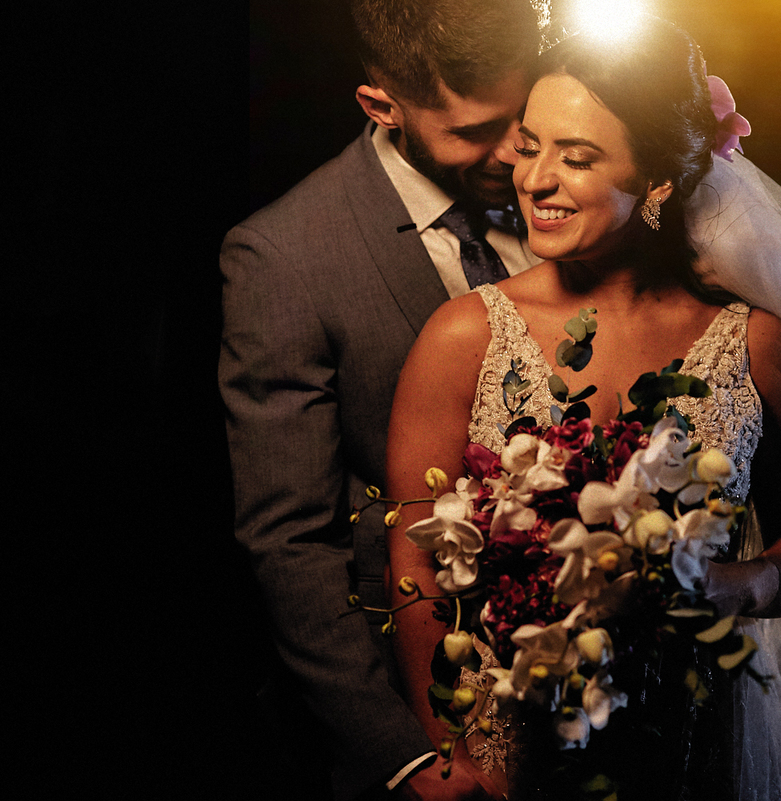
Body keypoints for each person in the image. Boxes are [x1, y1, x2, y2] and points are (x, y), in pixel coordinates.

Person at [386, 14, 781, 801]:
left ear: (657, 183)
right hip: (510, 748)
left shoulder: (754, 345)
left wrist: (735, 584)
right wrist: (451, 752)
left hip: (701, 739)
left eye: (576, 158)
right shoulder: (464, 336)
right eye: (530, 143)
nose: (535, 179)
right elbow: (414, 549)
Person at [219, 2, 540, 798]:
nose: (512, 153)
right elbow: (289, 540)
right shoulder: (284, 256)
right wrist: (400, 756)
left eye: (519, 114)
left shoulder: (566, 186)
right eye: (473, 132)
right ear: (381, 107)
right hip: (416, 695)